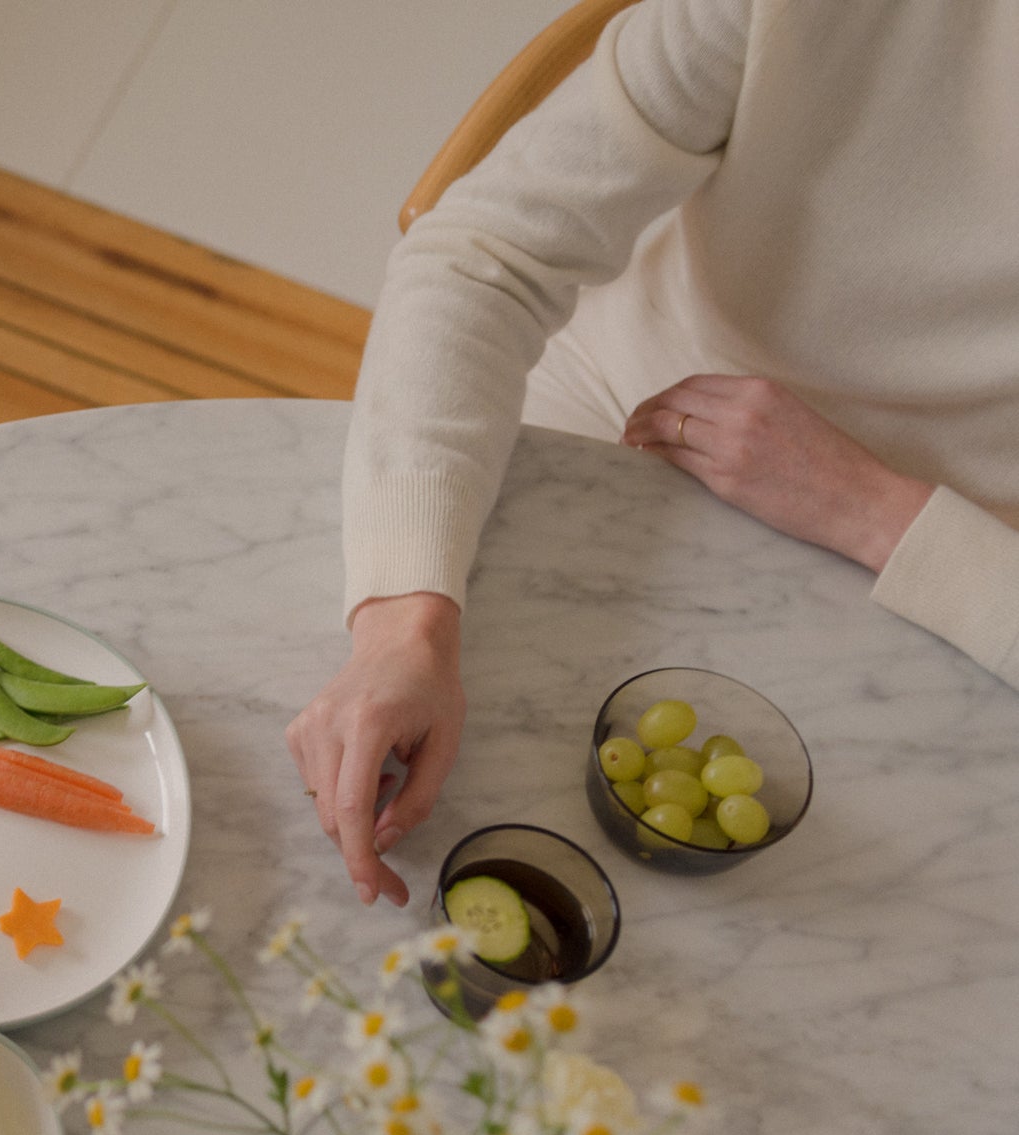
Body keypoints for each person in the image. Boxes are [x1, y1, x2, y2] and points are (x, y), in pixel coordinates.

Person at [287, 0, 1019, 906]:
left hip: (944, 575)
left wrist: (869, 506)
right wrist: (404, 622)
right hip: (612, 406)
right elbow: (487, 253)